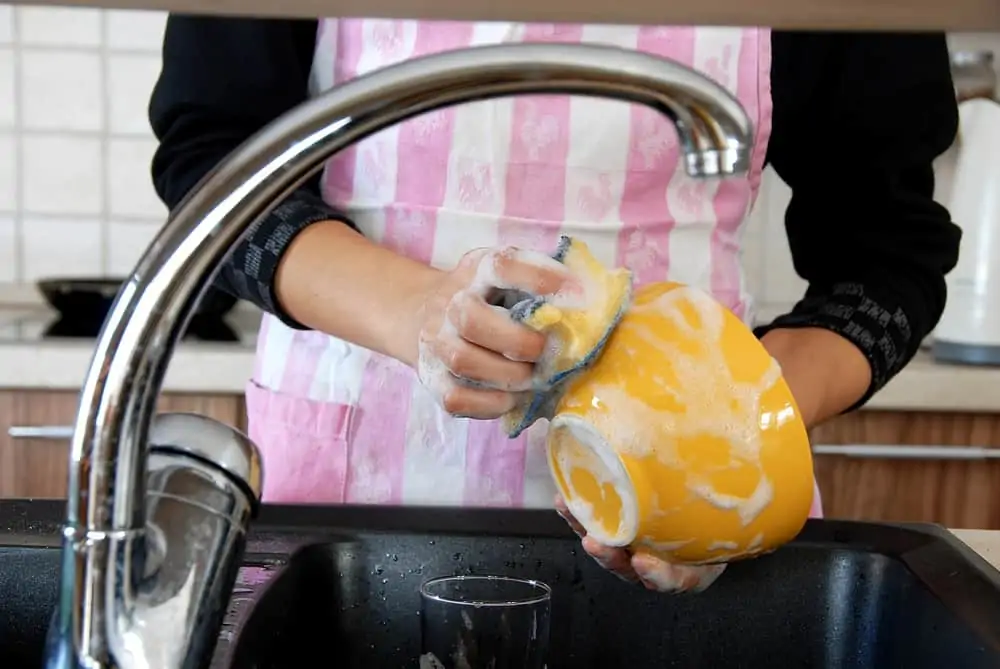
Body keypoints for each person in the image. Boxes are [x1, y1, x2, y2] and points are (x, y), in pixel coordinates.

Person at [149, 18, 960, 592]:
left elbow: (888, 255)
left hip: (687, 532)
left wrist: (737, 442)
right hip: (347, 507)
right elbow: (214, 167)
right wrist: (417, 310)